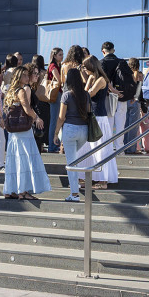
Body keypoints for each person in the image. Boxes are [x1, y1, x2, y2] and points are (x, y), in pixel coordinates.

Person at [2, 64, 51, 200]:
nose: (26, 77)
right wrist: (37, 118)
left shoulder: (11, 90)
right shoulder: (21, 91)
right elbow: (27, 109)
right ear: (18, 77)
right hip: (23, 130)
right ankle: (23, 191)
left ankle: (11, 190)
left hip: (13, 131)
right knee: (25, 159)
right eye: (23, 75)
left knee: (14, 160)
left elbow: (6, 108)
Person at [55, 70, 93, 202]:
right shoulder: (86, 95)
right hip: (84, 130)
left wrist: (56, 133)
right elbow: (89, 113)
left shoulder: (66, 95)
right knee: (74, 159)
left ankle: (74, 194)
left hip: (70, 129)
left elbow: (61, 117)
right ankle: (76, 185)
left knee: (71, 162)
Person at [82, 56, 117, 188]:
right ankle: (88, 177)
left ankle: (103, 180)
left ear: (91, 66)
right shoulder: (93, 78)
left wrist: (89, 79)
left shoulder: (101, 80)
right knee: (88, 149)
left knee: (100, 150)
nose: (84, 70)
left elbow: (89, 94)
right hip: (92, 117)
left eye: (85, 67)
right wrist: (89, 79)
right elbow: (85, 93)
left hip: (100, 118)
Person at [100, 42, 134, 158]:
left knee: (108, 125)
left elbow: (104, 79)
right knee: (120, 124)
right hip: (122, 97)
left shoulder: (102, 62)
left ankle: (108, 151)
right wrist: (130, 94)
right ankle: (120, 150)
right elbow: (131, 79)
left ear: (103, 51)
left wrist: (113, 90)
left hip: (108, 97)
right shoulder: (122, 62)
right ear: (113, 50)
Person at [46, 47, 64, 153]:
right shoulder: (53, 66)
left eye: (62, 54)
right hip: (56, 94)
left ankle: (54, 145)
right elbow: (59, 80)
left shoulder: (58, 65)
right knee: (54, 120)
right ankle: (52, 146)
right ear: (54, 55)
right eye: (60, 54)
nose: (62, 56)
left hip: (58, 94)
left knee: (57, 119)